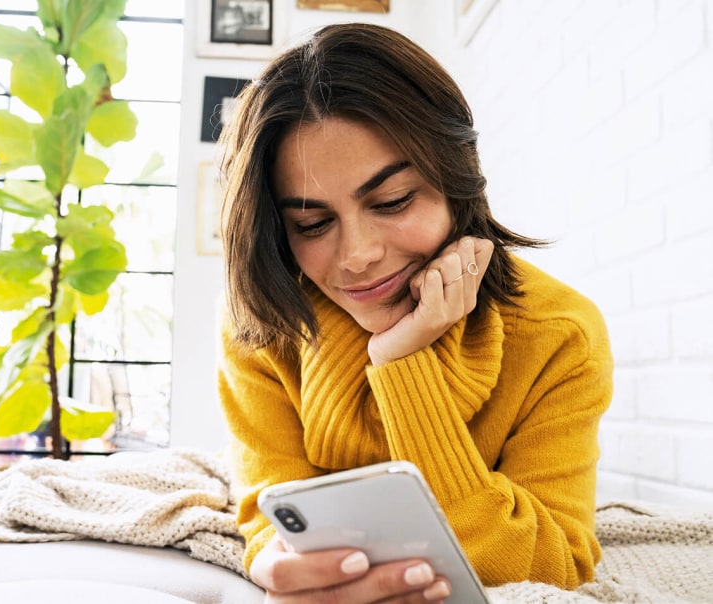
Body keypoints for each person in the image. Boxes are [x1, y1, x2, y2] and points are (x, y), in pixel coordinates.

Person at [216, 22, 613, 603]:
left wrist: (401, 361)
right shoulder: (266, 325)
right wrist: (271, 560)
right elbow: (271, 518)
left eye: (393, 201)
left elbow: (553, 566)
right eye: (311, 224)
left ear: (458, 181)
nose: (358, 257)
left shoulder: (560, 334)